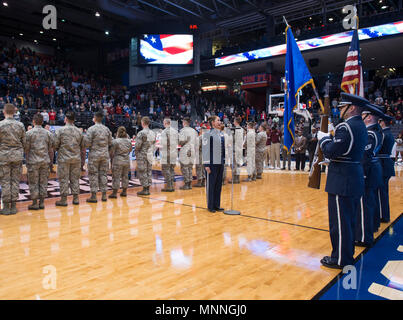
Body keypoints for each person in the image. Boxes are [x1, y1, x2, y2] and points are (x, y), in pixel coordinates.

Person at [318, 93, 368, 268]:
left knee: (340, 223)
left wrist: (323, 139)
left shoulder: (346, 127)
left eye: (342, 106)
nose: (339, 109)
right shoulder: (361, 125)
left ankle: (340, 259)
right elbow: (347, 151)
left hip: (342, 180)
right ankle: (346, 255)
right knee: (348, 221)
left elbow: (332, 150)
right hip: (352, 174)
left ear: (351, 107)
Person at [355, 105, 384, 247]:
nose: (361, 117)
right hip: (374, 169)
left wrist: (363, 174)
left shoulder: (371, 133)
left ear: (369, 117)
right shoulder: (376, 131)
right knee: (370, 202)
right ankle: (372, 227)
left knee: (364, 205)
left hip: (368, 171)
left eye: (364, 115)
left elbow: (365, 156)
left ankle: (363, 237)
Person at [0, 103, 26, 215]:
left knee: (5, 181)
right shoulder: (20, 125)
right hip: (17, 156)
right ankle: (14, 206)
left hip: (4, 156)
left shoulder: (0, 125)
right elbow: (24, 142)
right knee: (15, 180)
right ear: (14, 112)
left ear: (4, 112)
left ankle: (6, 206)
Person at [54, 111, 84, 206]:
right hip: (76, 158)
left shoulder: (60, 131)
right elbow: (82, 145)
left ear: (65, 119)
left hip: (64, 158)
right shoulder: (79, 131)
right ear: (74, 120)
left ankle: (63, 200)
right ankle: (75, 198)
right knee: (75, 179)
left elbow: (55, 145)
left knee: (63, 179)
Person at [25, 113, 53, 210]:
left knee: (33, 182)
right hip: (45, 160)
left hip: (33, 161)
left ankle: (34, 203)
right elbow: (50, 148)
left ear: (33, 121)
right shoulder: (48, 133)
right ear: (42, 122)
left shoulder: (29, 133)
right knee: (43, 182)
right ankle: (41, 203)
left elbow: (26, 148)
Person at [84, 111, 113, 203]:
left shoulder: (91, 129)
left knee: (93, 174)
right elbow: (110, 142)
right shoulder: (107, 129)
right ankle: (104, 195)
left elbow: (87, 143)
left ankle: (93, 196)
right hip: (104, 155)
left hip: (94, 155)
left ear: (95, 118)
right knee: (104, 174)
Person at [202, 116, 225, 213]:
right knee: (211, 185)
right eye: (218, 120)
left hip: (220, 162)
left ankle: (217, 205)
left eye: (220, 120)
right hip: (211, 163)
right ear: (212, 123)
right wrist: (206, 165)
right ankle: (210, 205)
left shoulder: (221, 134)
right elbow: (205, 150)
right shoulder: (208, 134)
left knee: (218, 184)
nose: (220, 122)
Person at [377, 111, 395, 224]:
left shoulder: (383, 134)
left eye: (379, 121)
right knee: (383, 192)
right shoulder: (389, 133)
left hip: (382, 163)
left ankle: (383, 216)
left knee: (381, 192)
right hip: (386, 163)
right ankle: (385, 214)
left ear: (382, 122)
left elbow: (377, 148)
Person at [109, 126, 132, 198]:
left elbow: (111, 152)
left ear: (118, 132)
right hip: (127, 160)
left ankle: (114, 193)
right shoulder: (129, 141)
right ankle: (124, 191)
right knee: (125, 176)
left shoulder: (115, 141)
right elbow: (130, 150)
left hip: (118, 160)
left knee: (116, 177)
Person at [135, 116, 156, 195]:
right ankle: (148, 188)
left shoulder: (141, 133)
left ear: (142, 123)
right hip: (150, 154)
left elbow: (137, 145)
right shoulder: (153, 133)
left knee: (142, 171)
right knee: (149, 171)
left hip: (142, 155)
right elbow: (154, 144)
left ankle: (145, 189)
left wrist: (137, 153)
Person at [160, 118, 178, 192]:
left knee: (165, 169)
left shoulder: (165, 132)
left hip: (167, 153)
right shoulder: (175, 131)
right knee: (171, 169)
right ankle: (171, 185)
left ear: (165, 123)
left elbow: (164, 144)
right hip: (174, 152)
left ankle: (169, 186)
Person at [178, 117, 196, 190]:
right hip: (192, 150)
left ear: (184, 123)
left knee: (184, 167)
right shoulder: (194, 131)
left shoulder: (183, 130)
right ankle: (189, 184)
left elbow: (181, 141)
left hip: (185, 150)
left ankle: (186, 184)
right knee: (190, 167)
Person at [228, 116, 243, 184]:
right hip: (240, 148)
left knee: (233, 164)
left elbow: (231, 140)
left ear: (235, 122)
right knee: (238, 164)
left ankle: (234, 178)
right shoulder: (242, 129)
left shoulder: (234, 129)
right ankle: (237, 177)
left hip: (234, 149)